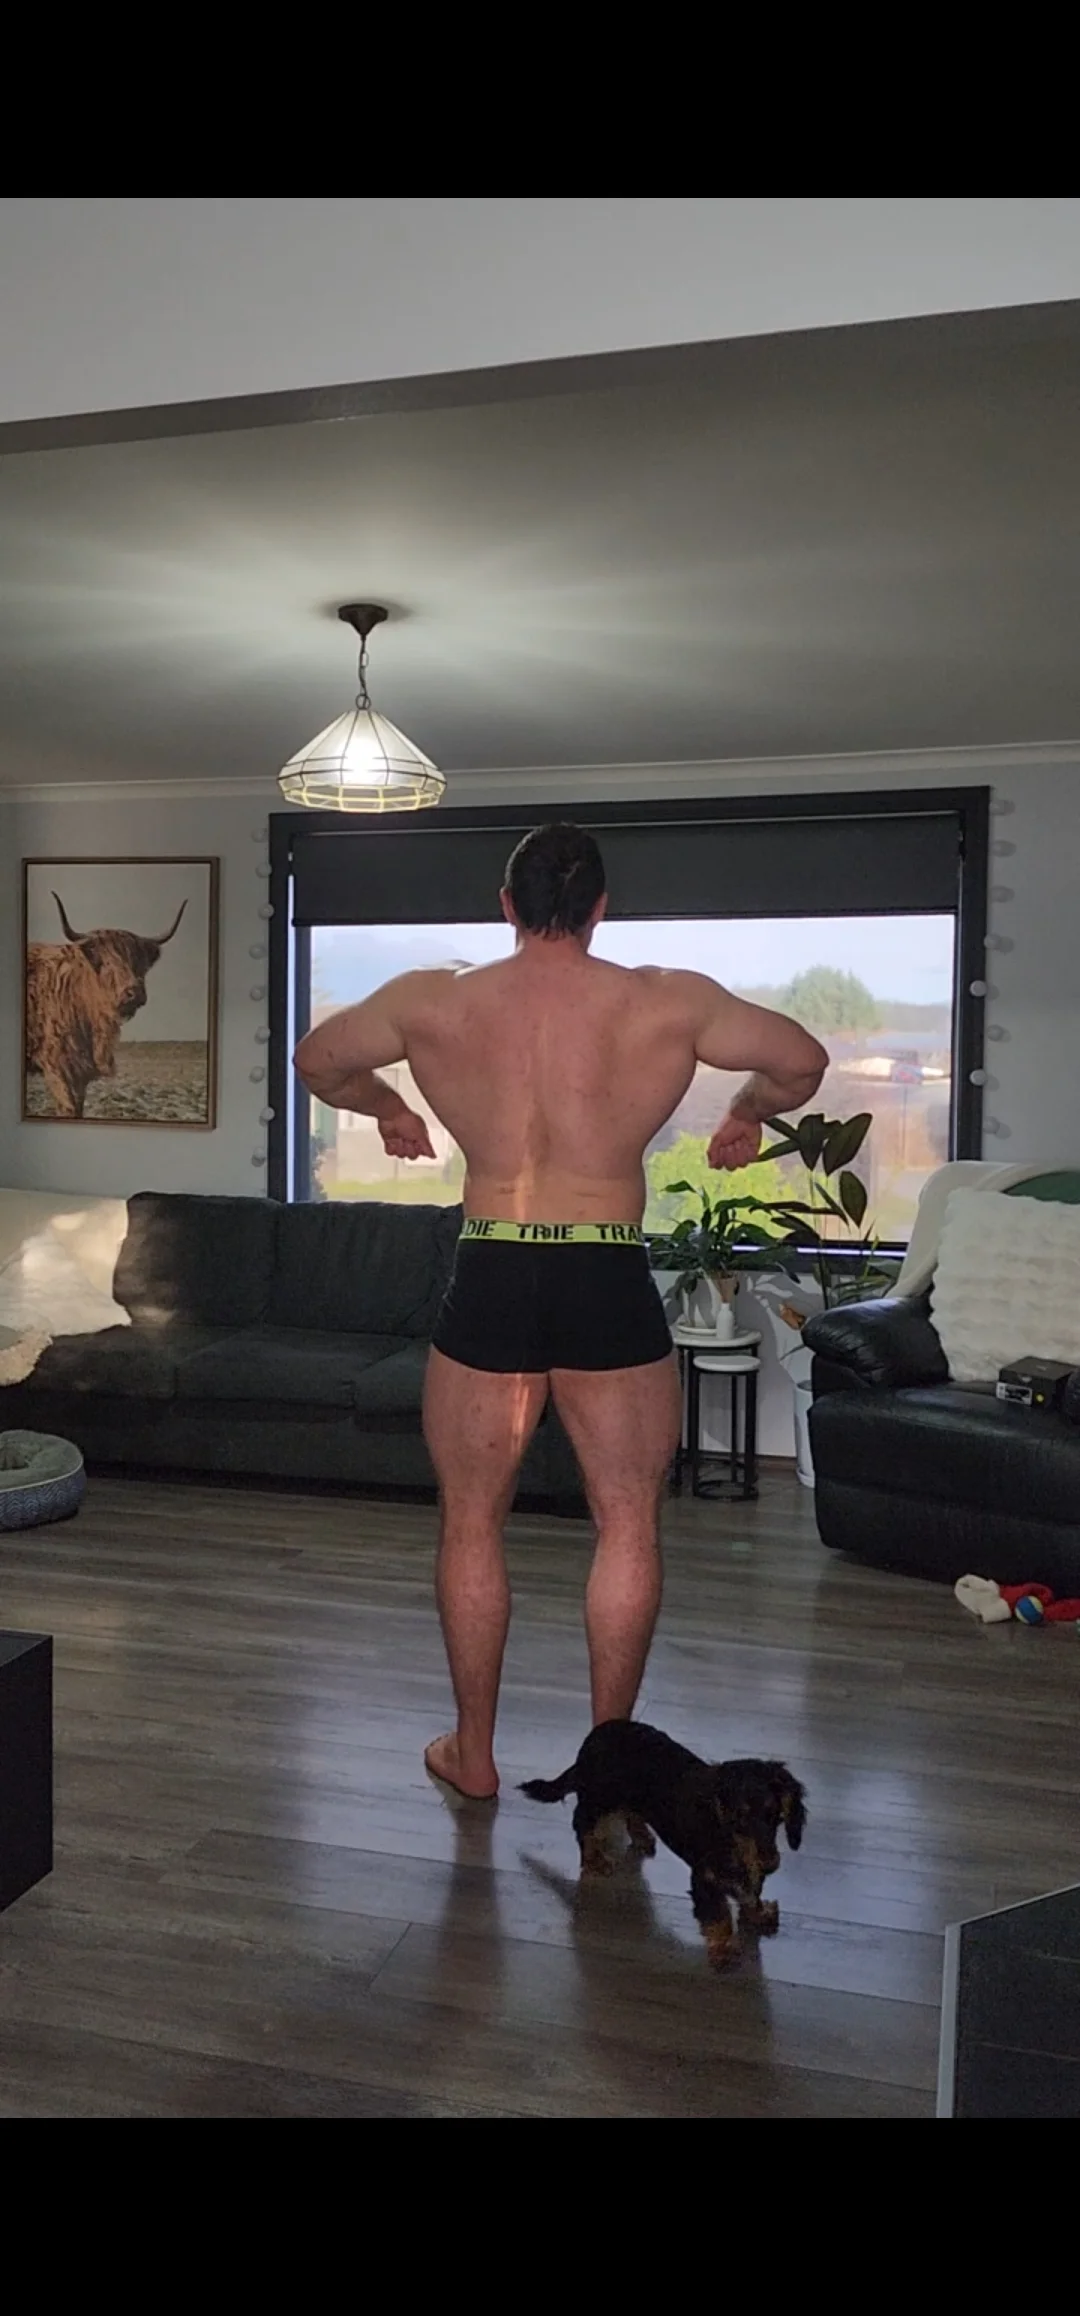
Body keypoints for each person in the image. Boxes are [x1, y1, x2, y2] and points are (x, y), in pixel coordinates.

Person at [294, 823, 826, 1798]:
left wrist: (388, 1109)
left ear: (506, 905)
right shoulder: (667, 1001)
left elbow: (317, 1059)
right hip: (605, 1268)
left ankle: (474, 1755)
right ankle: (612, 1772)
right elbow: (802, 1058)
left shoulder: (431, 1000)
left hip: (493, 1264)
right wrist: (748, 1110)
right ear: (600, 910)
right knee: (627, 1525)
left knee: (470, 1523)